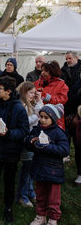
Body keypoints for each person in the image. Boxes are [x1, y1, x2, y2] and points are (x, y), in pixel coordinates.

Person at [0, 76, 29, 224]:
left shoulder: (19, 108)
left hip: (12, 151)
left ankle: (8, 208)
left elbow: (24, 130)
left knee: (9, 180)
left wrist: (9, 133)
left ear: (8, 91)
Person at [27, 104, 69, 225]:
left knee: (53, 198)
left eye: (46, 117)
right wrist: (31, 142)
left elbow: (64, 150)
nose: (42, 120)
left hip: (54, 171)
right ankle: (41, 216)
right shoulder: (37, 129)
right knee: (40, 194)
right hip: (39, 168)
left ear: (53, 119)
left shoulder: (59, 133)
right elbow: (27, 142)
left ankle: (53, 218)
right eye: (41, 117)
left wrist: (47, 146)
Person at [16, 82, 43, 208]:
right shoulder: (21, 105)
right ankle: (22, 196)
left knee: (31, 168)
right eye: (31, 92)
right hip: (25, 140)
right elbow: (24, 121)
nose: (33, 95)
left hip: (32, 139)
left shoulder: (30, 104)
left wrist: (39, 100)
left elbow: (41, 112)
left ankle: (30, 193)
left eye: (34, 93)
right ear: (24, 92)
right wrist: (36, 116)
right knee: (27, 169)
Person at [61, 51, 81, 184]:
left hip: (79, 112)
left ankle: (80, 173)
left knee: (79, 144)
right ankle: (58, 173)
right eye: (67, 58)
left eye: (70, 58)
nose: (68, 60)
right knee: (63, 142)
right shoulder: (63, 70)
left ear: (76, 58)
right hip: (66, 111)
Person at [34, 61, 69, 130]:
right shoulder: (37, 83)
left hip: (54, 119)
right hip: (38, 117)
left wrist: (46, 96)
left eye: (46, 71)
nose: (42, 73)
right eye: (42, 70)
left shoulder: (62, 85)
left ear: (53, 72)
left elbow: (62, 100)